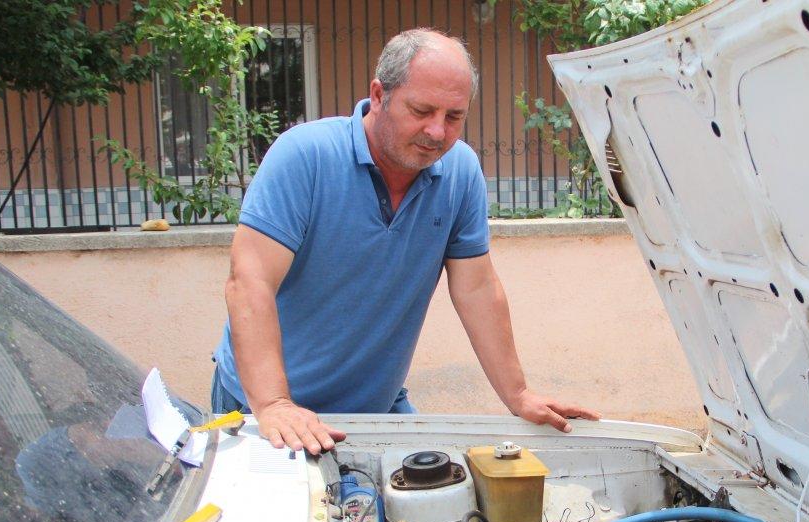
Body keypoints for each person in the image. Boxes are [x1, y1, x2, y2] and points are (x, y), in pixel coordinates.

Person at [211, 28, 598, 454]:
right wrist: (273, 403)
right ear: (379, 95)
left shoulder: (460, 173)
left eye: (454, 116)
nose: (437, 132)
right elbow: (249, 282)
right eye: (421, 110)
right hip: (264, 408)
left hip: (374, 408)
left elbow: (477, 289)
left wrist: (518, 394)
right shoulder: (305, 156)